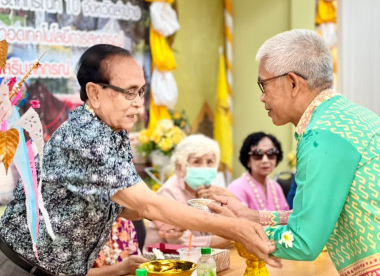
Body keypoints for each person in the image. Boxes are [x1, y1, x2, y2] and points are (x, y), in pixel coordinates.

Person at [0, 44, 280, 276]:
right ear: (95, 93)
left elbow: (125, 208)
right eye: (129, 92)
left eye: (141, 92)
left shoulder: (112, 132)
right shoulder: (84, 137)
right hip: (20, 267)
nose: (138, 102)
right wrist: (237, 228)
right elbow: (146, 203)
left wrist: (179, 214)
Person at [210, 29, 380, 276]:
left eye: (263, 84)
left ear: (292, 82)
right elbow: (317, 212)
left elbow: (303, 241)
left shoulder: (322, 134)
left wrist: (236, 229)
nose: (261, 96)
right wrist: (249, 216)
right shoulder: (349, 118)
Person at [144, 134, 234, 251]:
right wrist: (234, 236)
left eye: (210, 162)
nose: (204, 168)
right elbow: (185, 243)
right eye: (197, 162)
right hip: (165, 263)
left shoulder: (209, 191)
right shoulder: (168, 193)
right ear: (180, 167)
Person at [227, 132, 289, 211]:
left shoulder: (276, 187)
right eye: (257, 154)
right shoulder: (236, 188)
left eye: (271, 153)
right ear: (247, 161)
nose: (265, 160)